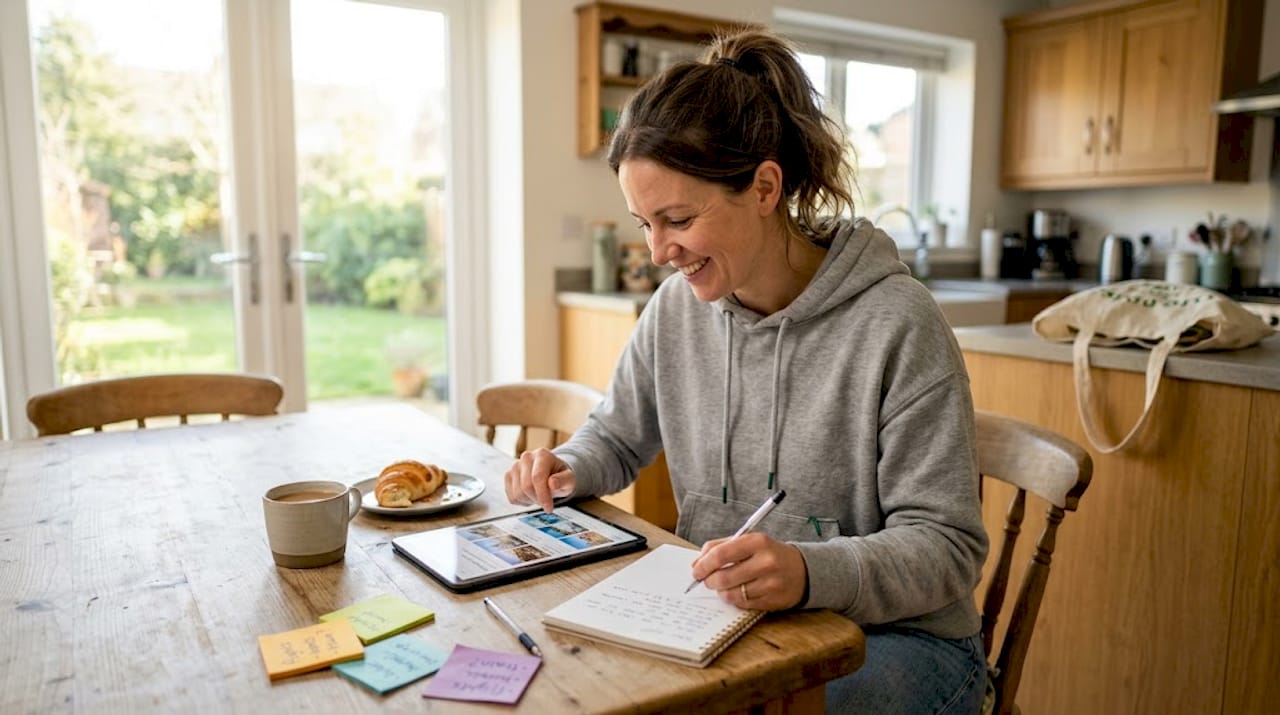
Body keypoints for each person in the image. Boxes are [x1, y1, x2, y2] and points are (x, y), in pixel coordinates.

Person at [504, 29, 988, 715]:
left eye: (676, 219)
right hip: (733, 619)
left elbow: (948, 547)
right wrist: (570, 466)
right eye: (643, 222)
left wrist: (807, 570)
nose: (658, 251)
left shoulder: (898, 322)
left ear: (764, 187)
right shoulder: (676, 307)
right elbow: (615, 437)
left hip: (898, 640)